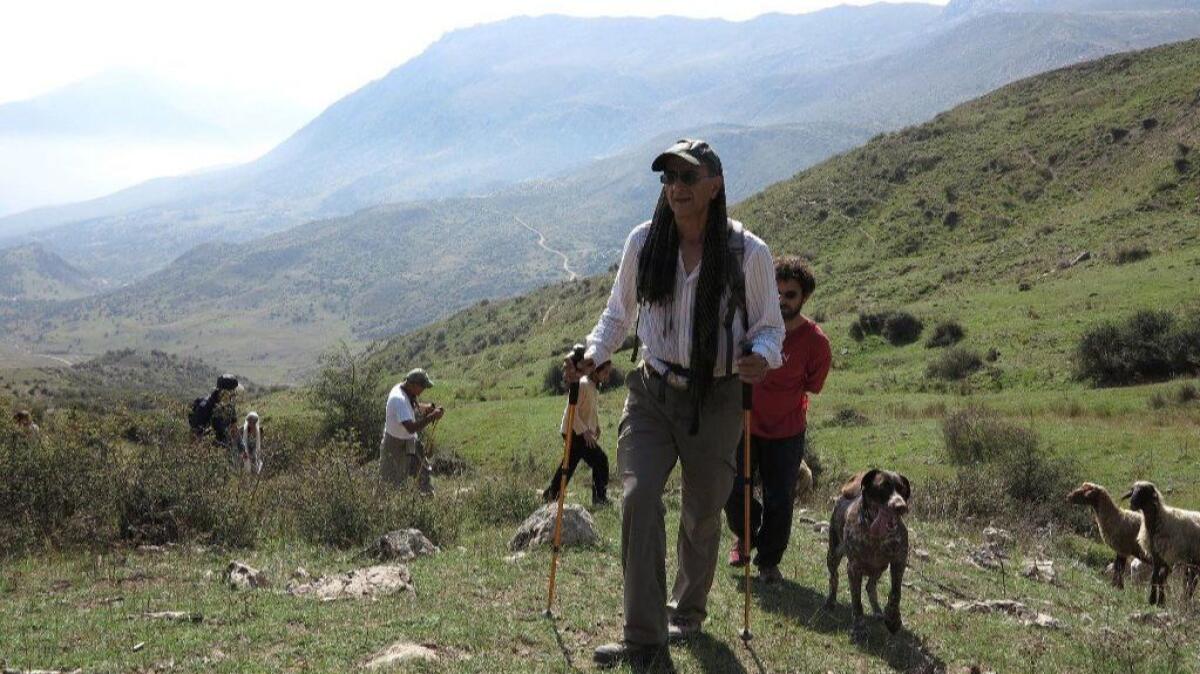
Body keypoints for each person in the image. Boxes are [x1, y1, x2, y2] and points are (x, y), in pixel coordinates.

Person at [566, 139, 784, 669]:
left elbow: (771, 329)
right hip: (652, 390)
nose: (676, 188)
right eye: (667, 178)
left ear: (715, 185)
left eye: (688, 177)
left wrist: (761, 356)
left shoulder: (747, 253)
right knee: (639, 498)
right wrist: (594, 354)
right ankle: (643, 638)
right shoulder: (644, 243)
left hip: (719, 397)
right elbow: (618, 315)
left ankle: (687, 611)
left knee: (701, 511)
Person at [724, 255, 832, 584]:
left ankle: (769, 562)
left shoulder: (816, 343)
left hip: (787, 432)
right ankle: (747, 534)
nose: (783, 301)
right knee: (731, 488)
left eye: (791, 295)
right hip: (744, 424)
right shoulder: (750, 327)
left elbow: (813, 385)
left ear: (804, 297)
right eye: (777, 293)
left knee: (779, 498)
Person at [543, 361, 612, 507]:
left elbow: (589, 409)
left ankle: (550, 494)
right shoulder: (583, 384)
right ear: (595, 371)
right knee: (600, 460)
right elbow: (571, 411)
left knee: (569, 465)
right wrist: (585, 432)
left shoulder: (592, 386)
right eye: (605, 372)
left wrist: (596, 425)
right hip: (573, 431)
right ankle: (600, 499)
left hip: (578, 431)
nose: (607, 375)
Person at [380, 368, 443, 493]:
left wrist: (427, 408)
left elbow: (412, 405)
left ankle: (427, 497)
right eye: (422, 387)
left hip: (410, 440)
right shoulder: (398, 399)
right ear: (413, 385)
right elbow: (411, 428)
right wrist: (432, 416)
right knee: (391, 482)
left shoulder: (405, 389)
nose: (423, 390)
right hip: (394, 444)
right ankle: (391, 508)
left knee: (422, 471)